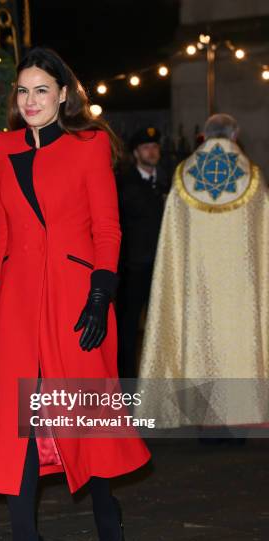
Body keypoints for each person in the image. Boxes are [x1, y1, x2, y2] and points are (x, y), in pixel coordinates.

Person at [0, 47, 151, 541]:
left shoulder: (88, 143)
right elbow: (5, 234)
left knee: (82, 415)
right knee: (17, 423)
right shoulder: (3, 147)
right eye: (22, 91)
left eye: (41, 91)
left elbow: (108, 228)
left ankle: (106, 510)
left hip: (79, 299)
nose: (30, 101)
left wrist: (101, 295)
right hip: (19, 299)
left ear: (62, 95)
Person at [138, 114, 269, 431]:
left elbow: (173, 238)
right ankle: (239, 417)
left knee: (201, 341)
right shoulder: (250, 175)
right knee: (237, 342)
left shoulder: (184, 175)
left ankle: (204, 421)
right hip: (241, 287)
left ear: (203, 137)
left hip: (197, 284)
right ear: (235, 134)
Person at [116, 127, 170, 378]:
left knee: (163, 325)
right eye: (147, 147)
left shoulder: (166, 179)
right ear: (136, 153)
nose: (153, 151)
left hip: (163, 266)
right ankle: (126, 382)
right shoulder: (124, 182)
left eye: (155, 146)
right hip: (132, 268)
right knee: (127, 328)